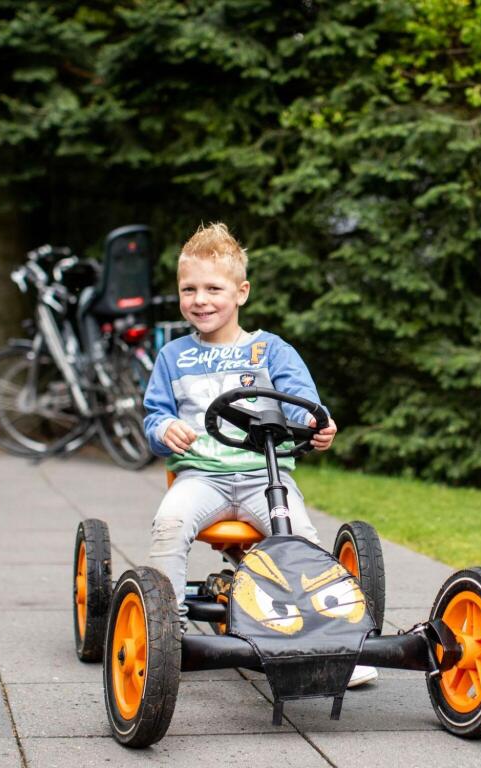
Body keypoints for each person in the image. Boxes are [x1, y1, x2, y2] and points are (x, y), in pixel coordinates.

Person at [143, 222, 376, 687]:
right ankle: (166, 635)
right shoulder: (173, 356)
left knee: (302, 544)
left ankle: (330, 644)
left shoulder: (270, 350)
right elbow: (154, 417)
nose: (200, 300)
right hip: (201, 477)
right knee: (169, 524)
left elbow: (304, 404)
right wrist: (165, 427)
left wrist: (318, 425)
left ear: (241, 292)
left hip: (264, 479)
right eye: (189, 289)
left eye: (213, 288)